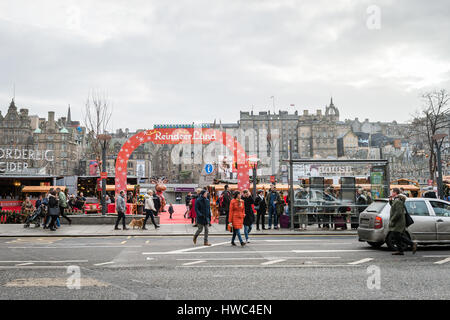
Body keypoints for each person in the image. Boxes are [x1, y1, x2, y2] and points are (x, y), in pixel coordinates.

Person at [389, 188, 417, 256]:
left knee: (398, 235)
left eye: (392, 192)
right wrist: (390, 201)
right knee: (397, 236)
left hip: (399, 222)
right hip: (399, 221)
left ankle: (412, 244)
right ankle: (400, 250)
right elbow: (394, 206)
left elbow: (398, 212)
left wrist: (392, 219)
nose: (391, 193)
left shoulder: (398, 201)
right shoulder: (396, 200)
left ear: (395, 193)